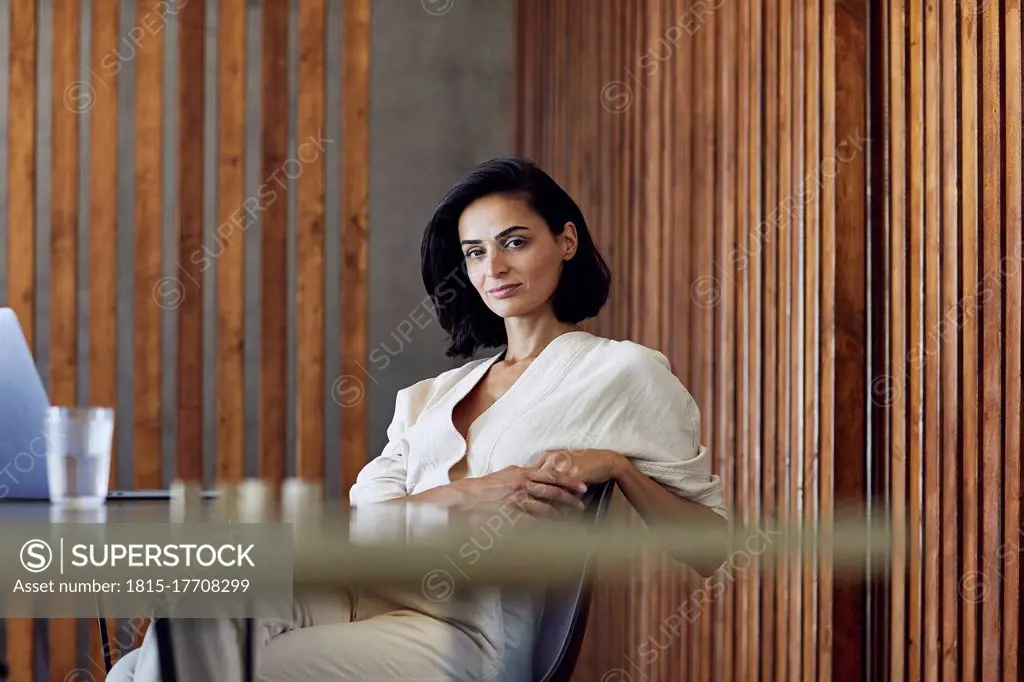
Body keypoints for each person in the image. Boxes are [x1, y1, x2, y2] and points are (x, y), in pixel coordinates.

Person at [106, 156, 728, 682]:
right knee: (178, 634)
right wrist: (468, 494)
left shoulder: (620, 372)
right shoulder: (428, 395)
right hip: (356, 591)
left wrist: (618, 465)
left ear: (565, 241)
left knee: (214, 664)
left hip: (463, 632)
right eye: (475, 252)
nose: (495, 269)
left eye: (516, 241)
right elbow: (367, 525)